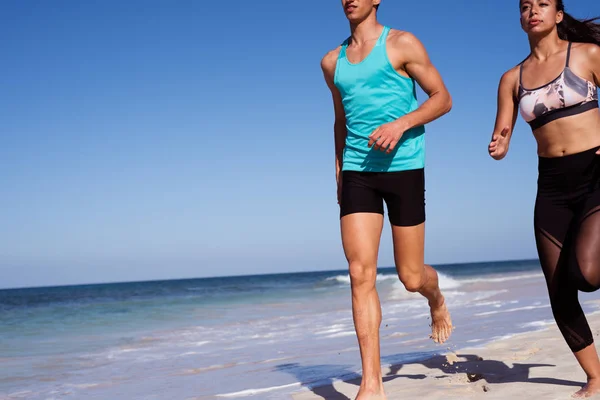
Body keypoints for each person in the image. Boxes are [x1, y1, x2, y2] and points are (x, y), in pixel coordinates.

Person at [320, 1, 453, 398]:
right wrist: (340, 173)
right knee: (360, 273)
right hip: (359, 173)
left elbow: (442, 98)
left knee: (410, 277)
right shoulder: (332, 62)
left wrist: (401, 124)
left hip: (405, 168)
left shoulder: (402, 43)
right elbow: (340, 122)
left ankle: (437, 297)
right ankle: (371, 384)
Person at [488, 0, 600, 397]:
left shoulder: (587, 55)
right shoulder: (511, 78)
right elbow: (503, 130)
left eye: (542, 4)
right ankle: (596, 377)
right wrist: (499, 145)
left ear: (558, 15)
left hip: (595, 176)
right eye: (525, 6)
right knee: (558, 288)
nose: (532, 10)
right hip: (551, 186)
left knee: (587, 274)